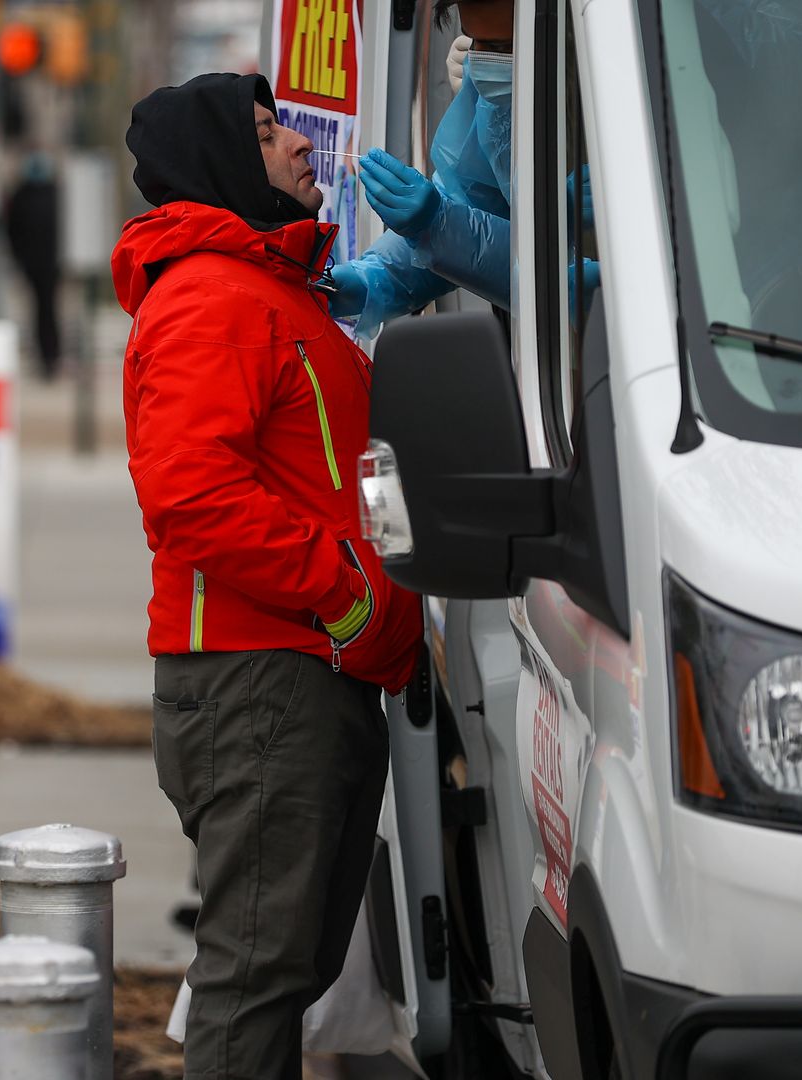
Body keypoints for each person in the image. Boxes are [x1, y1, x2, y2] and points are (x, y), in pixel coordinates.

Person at [115, 72, 422, 1076]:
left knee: (281, 972)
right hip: (261, 682)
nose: (299, 144)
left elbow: (344, 470)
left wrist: (386, 579)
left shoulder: (270, 292)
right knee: (255, 981)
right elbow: (191, 493)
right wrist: (349, 594)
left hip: (302, 677)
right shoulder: (210, 295)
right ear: (215, 164)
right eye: (264, 132)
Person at [330, 0, 517, 331]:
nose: (485, 60)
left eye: (503, 46)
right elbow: (471, 201)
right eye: (476, 43)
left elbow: (572, 289)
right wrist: (372, 280)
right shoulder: (494, 102)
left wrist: (438, 227)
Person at [4, 153, 63, 378]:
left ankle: (49, 356)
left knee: (44, 310)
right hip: (42, 263)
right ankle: (49, 356)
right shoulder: (50, 194)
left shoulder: (24, 195)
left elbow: (11, 230)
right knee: (45, 309)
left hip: (40, 263)